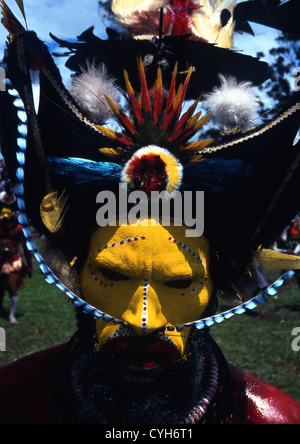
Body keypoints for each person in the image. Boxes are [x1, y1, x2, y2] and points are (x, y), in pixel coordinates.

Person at [0, 0, 300, 425]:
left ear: (218, 285)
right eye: (114, 274)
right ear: (75, 271)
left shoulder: (277, 420)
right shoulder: (11, 404)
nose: (143, 321)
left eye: (179, 281)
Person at [0, 203, 32, 324]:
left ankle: (12, 315)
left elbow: (26, 247)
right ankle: (1, 308)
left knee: (13, 289)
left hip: (13, 262)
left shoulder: (18, 228)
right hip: (0, 260)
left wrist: (29, 265)